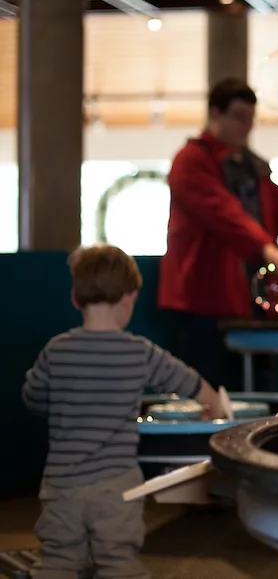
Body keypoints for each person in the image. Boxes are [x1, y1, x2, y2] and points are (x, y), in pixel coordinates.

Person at [22, 245, 226, 579]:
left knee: (57, 563)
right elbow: (189, 382)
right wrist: (214, 405)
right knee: (119, 565)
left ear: (76, 298)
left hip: (61, 486)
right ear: (129, 298)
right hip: (117, 486)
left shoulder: (56, 350)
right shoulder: (139, 352)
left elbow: (32, 397)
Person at [158, 78, 278, 390]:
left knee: (257, 390)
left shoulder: (252, 167)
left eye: (250, 118)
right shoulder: (190, 161)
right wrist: (265, 246)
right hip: (204, 304)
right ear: (215, 114)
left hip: (254, 304)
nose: (246, 127)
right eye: (238, 117)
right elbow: (222, 211)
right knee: (210, 391)